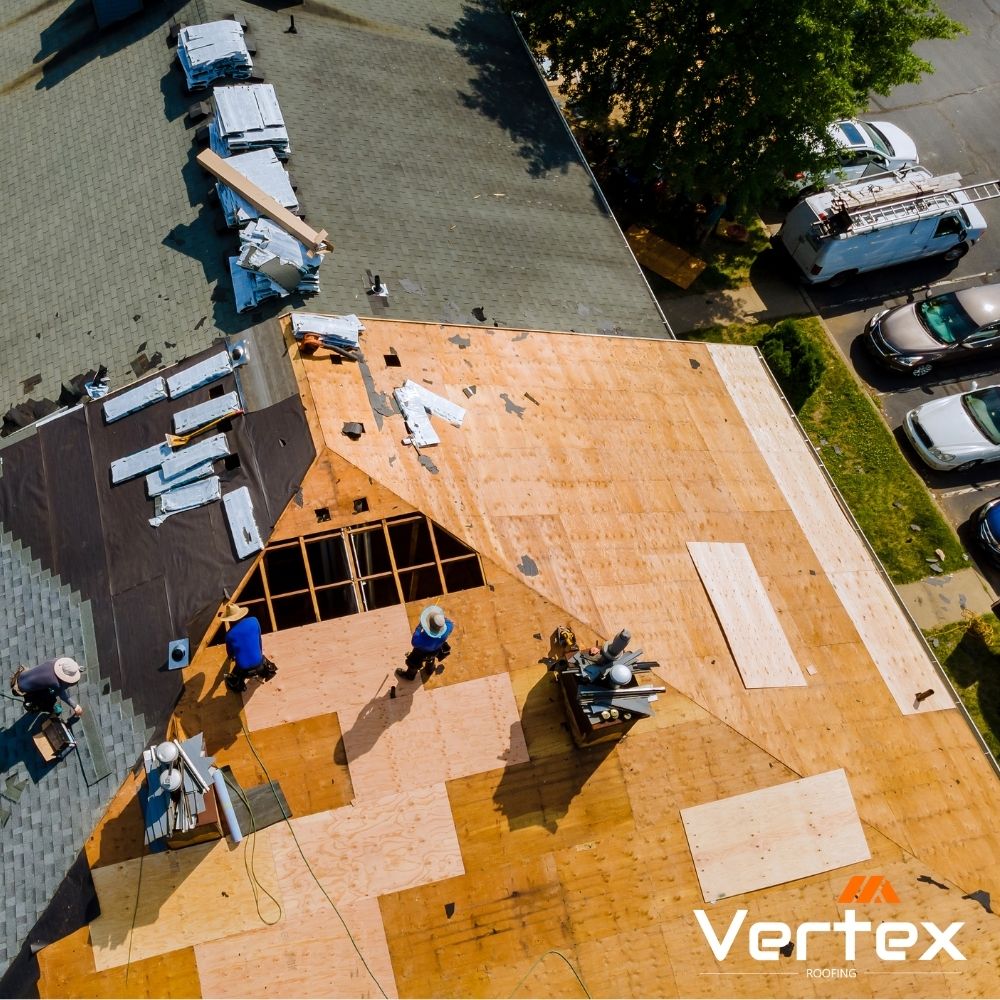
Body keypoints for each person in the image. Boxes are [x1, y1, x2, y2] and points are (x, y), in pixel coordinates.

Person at [219, 603, 277, 693]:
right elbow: (259, 639)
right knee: (263, 659)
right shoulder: (254, 621)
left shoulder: (229, 635)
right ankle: (267, 672)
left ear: (229, 620)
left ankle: (238, 686)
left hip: (243, 671)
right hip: (260, 665)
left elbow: (231, 655)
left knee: (233, 678)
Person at [396, 605, 454, 681]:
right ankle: (429, 670)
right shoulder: (449, 627)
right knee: (431, 660)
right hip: (436, 650)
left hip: (420, 653)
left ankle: (410, 675)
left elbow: (414, 642)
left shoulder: (421, 640)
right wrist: (439, 619)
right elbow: (448, 622)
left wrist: (419, 627)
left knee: (413, 664)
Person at [12, 657, 85, 717]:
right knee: (48, 699)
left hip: (22, 676)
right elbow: (62, 695)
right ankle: (52, 709)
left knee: (49, 689)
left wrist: (76, 669)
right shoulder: (55, 683)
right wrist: (75, 706)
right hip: (23, 689)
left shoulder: (54, 661)